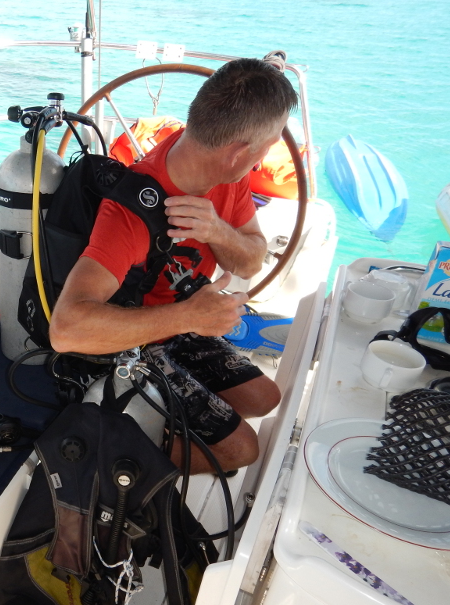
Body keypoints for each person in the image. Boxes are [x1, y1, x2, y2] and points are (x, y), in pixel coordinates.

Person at [49, 58, 297, 474]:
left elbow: (251, 260)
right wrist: (188, 316)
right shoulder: (128, 212)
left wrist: (218, 231)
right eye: (268, 146)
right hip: (136, 336)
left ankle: (161, 424)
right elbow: (65, 330)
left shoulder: (226, 170)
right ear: (239, 153)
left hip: (185, 320)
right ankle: (106, 461)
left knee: (265, 399)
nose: (263, 159)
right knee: (241, 451)